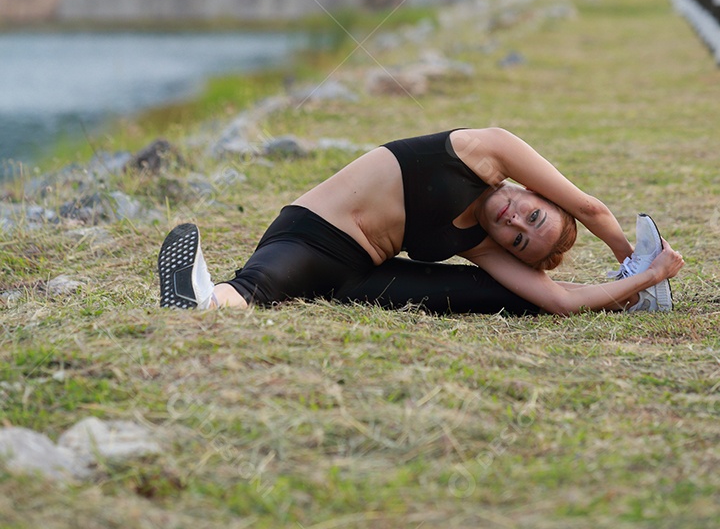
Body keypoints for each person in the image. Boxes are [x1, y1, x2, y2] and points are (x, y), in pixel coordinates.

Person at [157, 127, 684, 318]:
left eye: (519, 239)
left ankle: (631, 297)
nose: (514, 221)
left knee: (521, 299)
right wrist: (633, 255)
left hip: (361, 278)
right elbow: (590, 208)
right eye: (534, 212)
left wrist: (647, 283)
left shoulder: (481, 242)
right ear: (535, 192)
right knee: (259, 285)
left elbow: (559, 300)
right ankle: (202, 299)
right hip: (311, 236)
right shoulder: (484, 150)